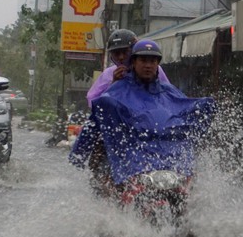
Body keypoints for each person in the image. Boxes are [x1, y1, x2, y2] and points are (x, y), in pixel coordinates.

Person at [70, 40, 216, 194]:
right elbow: (98, 114)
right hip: (133, 159)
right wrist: (79, 154)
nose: (148, 65)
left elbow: (185, 106)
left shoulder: (169, 91)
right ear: (133, 62)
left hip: (170, 161)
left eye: (152, 61)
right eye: (143, 60)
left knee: (188, 193)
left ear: (157, 64)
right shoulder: (115, 92)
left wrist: (204, 110)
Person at [86, 29, 170, 107]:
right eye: (116, 53)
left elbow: (168, 95)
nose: (121, 57)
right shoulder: (109, 73)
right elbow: (93, 102)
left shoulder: (155, 69)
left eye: (125, 52)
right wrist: (113, 85)